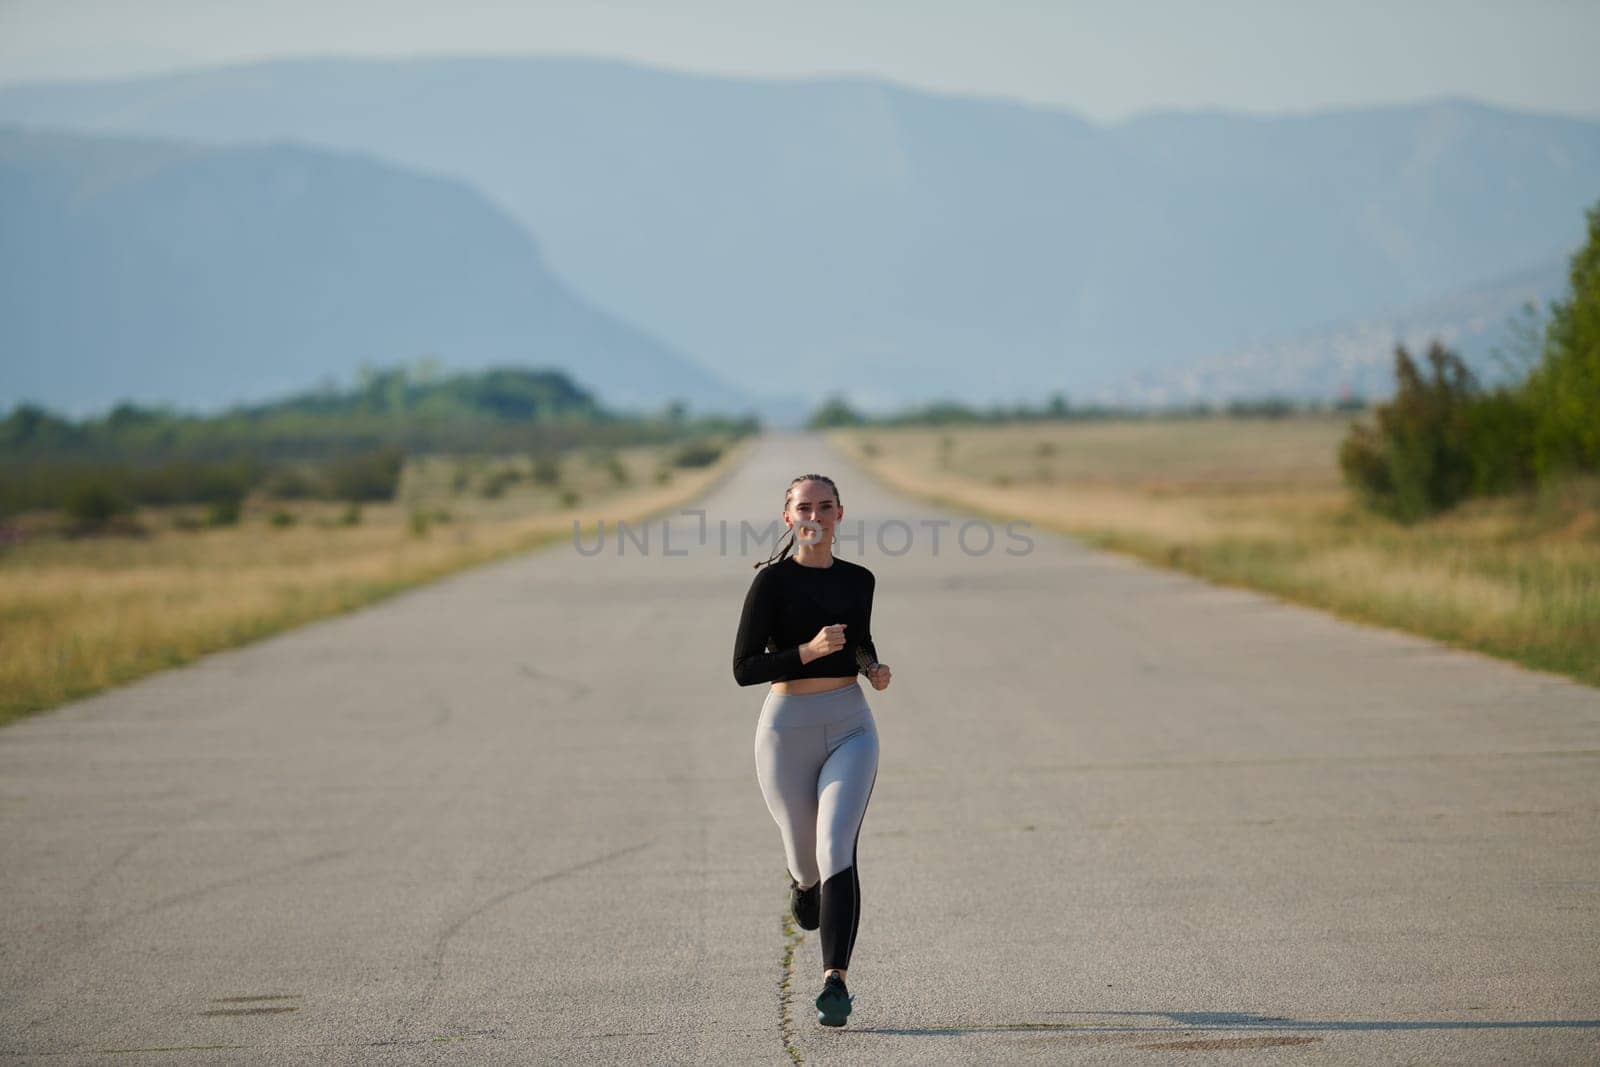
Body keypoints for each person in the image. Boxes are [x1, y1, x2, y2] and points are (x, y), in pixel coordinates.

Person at [732, 473, 892, 1028]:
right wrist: (807, 651)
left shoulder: (860, 579)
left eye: (826, 507)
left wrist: (871, 667)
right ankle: (803, 888)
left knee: (836, 847)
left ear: (840, 515)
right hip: (786, 728)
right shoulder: (771, 585)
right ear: (789, 518)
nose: (815, 516)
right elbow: (744, 669)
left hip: (850, 724)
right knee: (806, 863)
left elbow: (860, 637)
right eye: (805, 507)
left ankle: (835, 982)